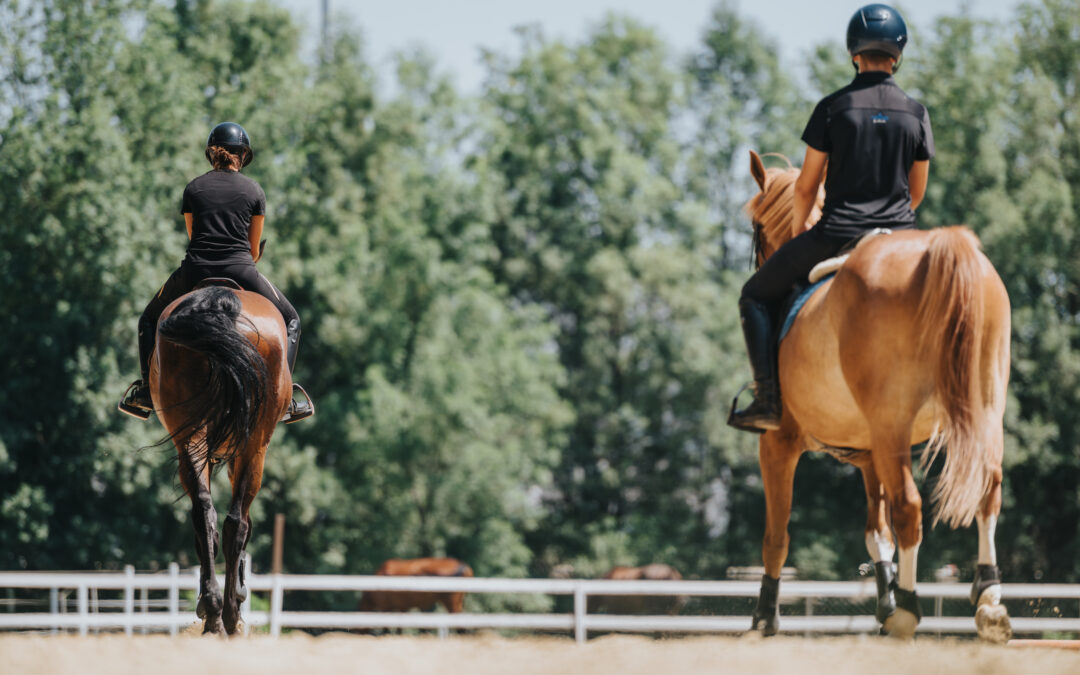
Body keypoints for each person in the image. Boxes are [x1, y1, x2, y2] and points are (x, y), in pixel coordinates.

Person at [728, 3, 934, 432]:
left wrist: (802, 229)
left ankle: (767, 400)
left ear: (853, 53)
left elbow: (805, 186)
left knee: (753, 294)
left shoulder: (832, 108)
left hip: (837, 232)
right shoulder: (916, 114)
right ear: (898, 54)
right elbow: (916, 191)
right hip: (899, 235)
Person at [118, 122, 314, 424]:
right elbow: (252, 250)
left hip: (196, 269)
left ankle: (145, 392)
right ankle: (284, 399)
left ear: (212, 155)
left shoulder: (193, 188)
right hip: (241, 268)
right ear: (243, 156)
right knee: (291, 320)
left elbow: (192, 233)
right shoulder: (254, 191)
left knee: (148, 319)